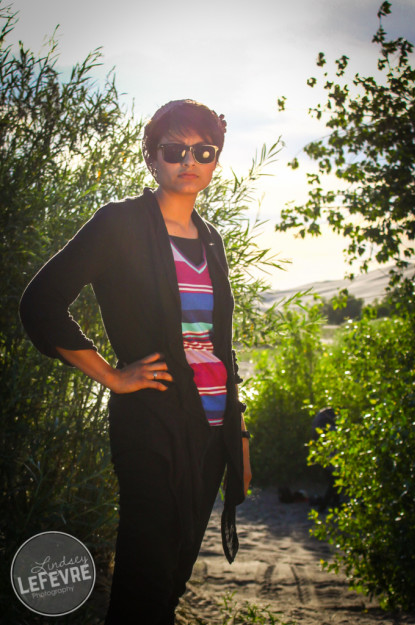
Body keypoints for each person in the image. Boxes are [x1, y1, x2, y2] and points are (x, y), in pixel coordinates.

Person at [19, 99, 252, 624]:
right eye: (174, 149)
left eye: (203, 150)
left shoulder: (212, 241)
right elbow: (41, 302)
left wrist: (239, 434)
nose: (188, 160)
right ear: (152, 158)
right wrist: (109, 376)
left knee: (169, 584)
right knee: (143, 587)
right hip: (150, 425)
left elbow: (219, 346)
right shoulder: (120, 224)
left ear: (215, 161)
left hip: (212, 434)